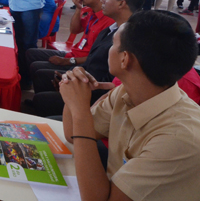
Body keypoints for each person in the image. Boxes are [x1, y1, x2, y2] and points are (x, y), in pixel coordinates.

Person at [59, 10, 200, 201]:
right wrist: (74, 93)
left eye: (113, 44)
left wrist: (79, 108)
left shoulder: (178, 138)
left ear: (125, 59)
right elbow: (71, 134)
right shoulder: (125, 92)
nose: (109, 49)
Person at [32, 0, 144, 117]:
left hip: (97, 94)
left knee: (42, 100)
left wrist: (78, 84)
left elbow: (114, 84)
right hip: (86, 79)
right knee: (43, 76)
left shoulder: (131, 39)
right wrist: (72, 76)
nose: (103, 0)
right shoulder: (111, 28)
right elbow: (91, 59)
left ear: (121, 4)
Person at [26, 0, 113, 79]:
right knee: (31, 53)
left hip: (81, 63)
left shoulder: (109, 22)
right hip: (73, 54)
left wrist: (68, 61)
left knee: (37, 68)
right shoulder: (91, 12)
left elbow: (97, 58)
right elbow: (75, 30)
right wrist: (78, 8)